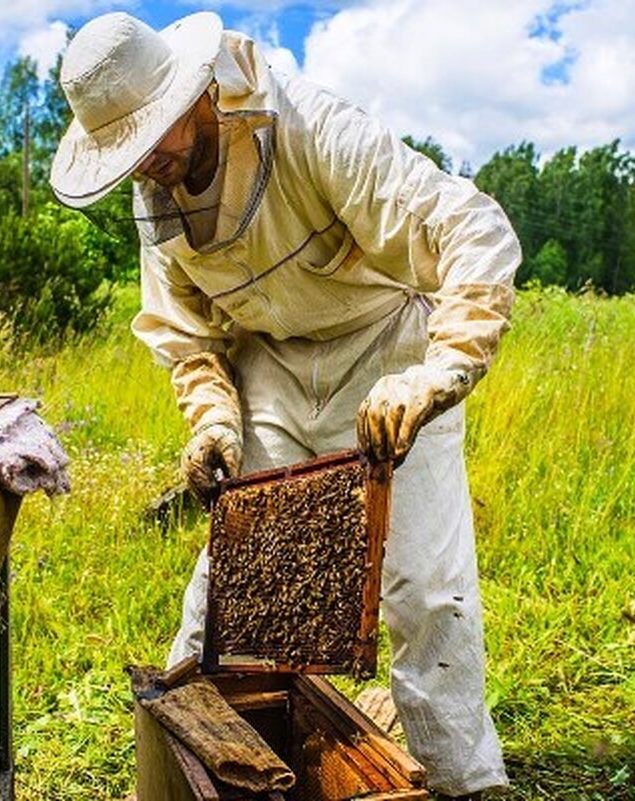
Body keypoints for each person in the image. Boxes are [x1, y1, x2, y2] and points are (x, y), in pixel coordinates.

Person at [50, 11, 521, 798]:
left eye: (156, 136)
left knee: (423, 585)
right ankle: (185, 764)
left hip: (386, 347)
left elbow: (471, 227)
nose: (152, 163)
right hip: (267, 361)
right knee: (233, 582)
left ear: (201, 93)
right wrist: (214, 423)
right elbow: (188, 338)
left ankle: (462, 778)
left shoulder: (312, 126)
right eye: (131, 154)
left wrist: (438, 372)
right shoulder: (154, 192)